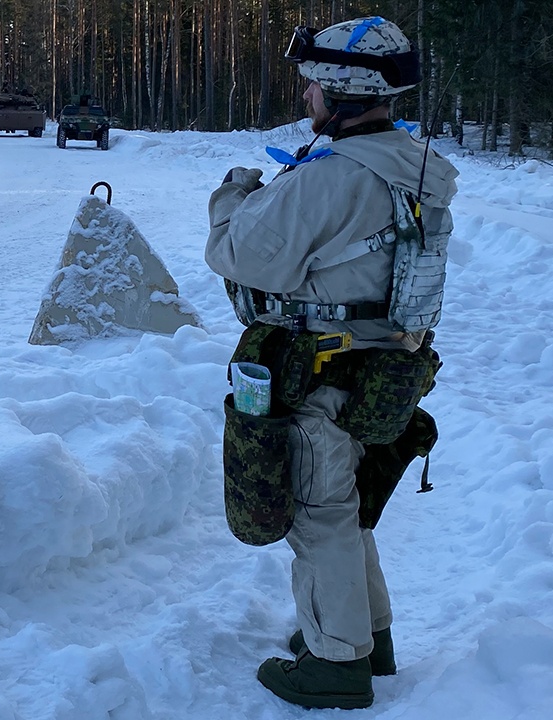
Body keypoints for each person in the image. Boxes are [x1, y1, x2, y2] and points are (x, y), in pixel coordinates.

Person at [204, 17, 459, 710]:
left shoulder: (334, 178)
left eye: (314, 82)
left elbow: (236, 254)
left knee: (318, 515)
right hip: (377, 367)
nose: (307, 94)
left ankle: (335, 664)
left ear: (343, 90)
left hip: (320, 371)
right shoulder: (414, 163)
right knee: (345, 510)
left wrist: (235, 190)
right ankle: (368, 638)